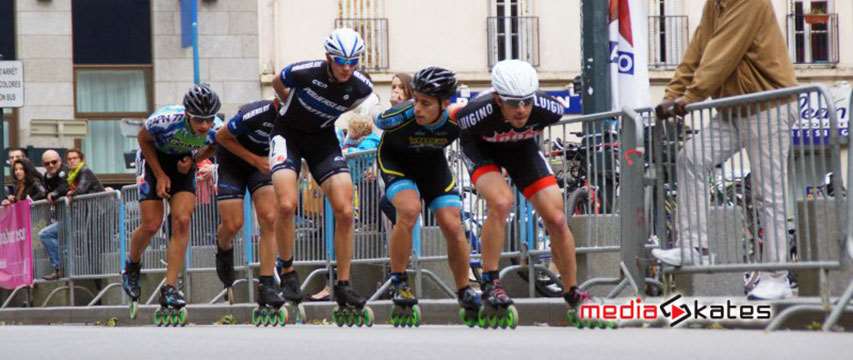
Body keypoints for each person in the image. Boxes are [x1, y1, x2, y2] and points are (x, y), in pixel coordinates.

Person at [651, 0, 798, 301]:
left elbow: (723, 51)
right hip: (733, 108)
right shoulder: (714, 5)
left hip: (769, 105)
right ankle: (695, 247)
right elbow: (697, 50)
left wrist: (690, 96)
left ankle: (777, 276)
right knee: (691, 158)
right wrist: (672, 94)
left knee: (767, 192)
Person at [455, 59, 589, 326]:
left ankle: (573, 291)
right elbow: (449, 122)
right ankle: (491, 282)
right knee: (501, 202)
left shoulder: (549, 109)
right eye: (513, 103)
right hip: (482, 151)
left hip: (522, 150)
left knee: (557, 218)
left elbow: (533, 121)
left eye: (526, 102)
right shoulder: (475, 113)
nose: (521, 110)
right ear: (496, 99)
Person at [269, 28, 375, 325]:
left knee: (344, 209)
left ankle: (342, 284)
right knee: (287, 204)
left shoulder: (360, 87)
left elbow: (355, 105)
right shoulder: (304, 72)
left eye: (353, 61)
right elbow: (279, 81)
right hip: (287, 135)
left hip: (322, 141)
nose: (347, 68)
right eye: (341, 60)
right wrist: (290, 105)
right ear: (328, 57)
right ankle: (287, 269)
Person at [375, 66, 476, 326]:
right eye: (416, 100)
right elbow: (378, 120)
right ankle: (398, 281)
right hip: (397, 163)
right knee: (409, 211)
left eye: (426, 103)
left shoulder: (457, 118)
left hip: (432, 166)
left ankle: (464, 289)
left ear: (445, 104)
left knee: (454, 224)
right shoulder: (400, 115)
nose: (417, 108)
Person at [121, 83, 220, 323]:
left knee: (182, 221)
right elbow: (143, 140)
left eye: (208, 120)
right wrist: (160, 174)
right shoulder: (164, 120)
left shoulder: (217, 127)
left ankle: (170, 287)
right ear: (187, 114)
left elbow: (217, 144)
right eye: (199, 120)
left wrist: (195, 160)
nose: (204, 126)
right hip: (153, 159)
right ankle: (132, 265)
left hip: (182, 162)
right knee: (152, 224)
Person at [214, 98, 302, 323]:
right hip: (233, 161)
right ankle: (223, 247)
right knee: (233, 224)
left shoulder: (298, 119)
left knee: (269, 217)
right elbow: (221, 137)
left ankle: (266, 284)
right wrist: (254, 160)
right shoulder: (255, 113)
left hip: (261, 165)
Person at [39, 150, 68, 281]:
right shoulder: (47, 176)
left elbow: (64, 187)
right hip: (62, 216)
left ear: (60, 161)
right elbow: (44, 192)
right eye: (47, 163)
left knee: (45, 234)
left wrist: (54, 194)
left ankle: (59, 268)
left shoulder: (65, 171)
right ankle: (60, 268)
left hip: (76, 216)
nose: (51, 165)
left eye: (54, 162)